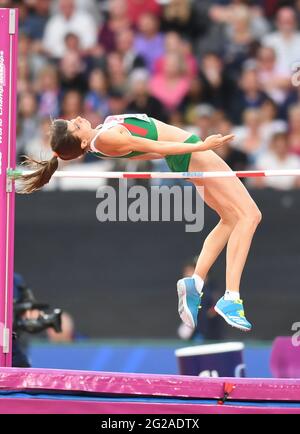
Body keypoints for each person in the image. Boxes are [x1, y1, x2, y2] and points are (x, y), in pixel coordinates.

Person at [19, 114, 262, 332]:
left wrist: (188, 150)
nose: (79, 118)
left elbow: (149, 151)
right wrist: (201, 146)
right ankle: (231, 297)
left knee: (230, 218)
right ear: (81, 142)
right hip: (191, 152)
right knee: (250, 215)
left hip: (185, 155)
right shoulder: (105, 140)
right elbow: (149, 145)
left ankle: (195, 282)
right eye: (75, 125)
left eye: (73, 119)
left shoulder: (101, 139)